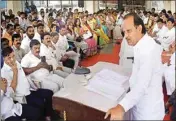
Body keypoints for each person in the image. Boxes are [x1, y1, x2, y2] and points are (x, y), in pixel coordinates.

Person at [105, 13, 165, 120]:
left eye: (129, 31)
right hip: (140, 105)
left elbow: (142, 85)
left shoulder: (148, 50)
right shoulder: (142, 45)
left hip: (148, 113)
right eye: (124, 32)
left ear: (139, 28)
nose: (126, 36)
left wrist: (121, 107)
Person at [1, 47, 54, 121]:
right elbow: (11, 92)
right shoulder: (4, 73)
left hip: (30, 89)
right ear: (4, 59)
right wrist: (15, 72)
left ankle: (48, 115)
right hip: (22, 95)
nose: (12, 59)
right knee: (40, 104)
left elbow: (24, 77)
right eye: (9, 58)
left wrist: (33, 86)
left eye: (13, 56)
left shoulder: (16, 63)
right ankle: (44, 117)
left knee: (49, 93)